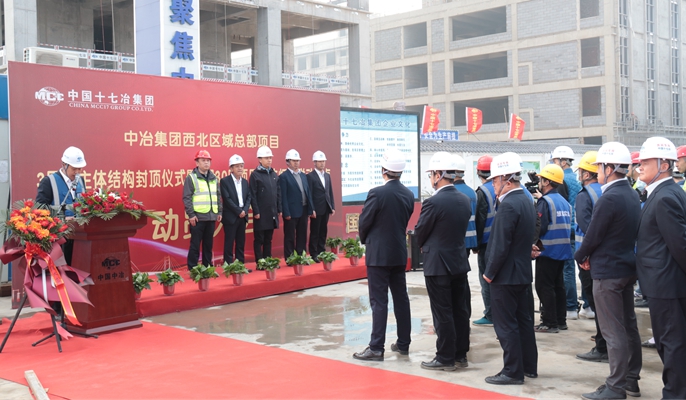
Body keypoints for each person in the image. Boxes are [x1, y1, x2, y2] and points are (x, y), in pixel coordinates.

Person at [575, 142, 642, 399]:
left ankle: (615, 387)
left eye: (600, 167)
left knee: (613, 331)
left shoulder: (609, 197)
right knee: (628, 326)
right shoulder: (631, 194)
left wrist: (580, 256)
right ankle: (630, 380)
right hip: (626, 267)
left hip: (608, 272)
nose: (597, 171)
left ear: (610, 168)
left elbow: (593, 234)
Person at [635, 137, 686, 400]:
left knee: (671, 343)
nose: (639, 166)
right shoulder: (664, 192)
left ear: (664, 165)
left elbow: (680, 244)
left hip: (666, 283)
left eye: (646, 162)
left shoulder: (665, 196)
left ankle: (675, 394)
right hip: (663, 282)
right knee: (671, 341)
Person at [353, 149, 414, 362]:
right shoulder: (408, 194)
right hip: (398, 252)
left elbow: (364, 222)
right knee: (401, 298)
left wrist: (366, 240)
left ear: (383, 170)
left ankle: (376, 347)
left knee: (379, 301)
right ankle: (403, 343)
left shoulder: (377, 193)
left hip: (379, 254)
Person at [483, 152, 538, 385]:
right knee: (523, 321)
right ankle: (528, 366)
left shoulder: (508, 205)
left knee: (506, 325)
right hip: (522, 272)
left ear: (505, 178)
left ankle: (512, 372)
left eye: (494, 180)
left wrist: (489, 273)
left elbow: (500, 245)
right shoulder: (526, 200)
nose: (493, 185)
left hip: (506, 275)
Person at [414, 152, 472, 371]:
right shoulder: (464, 199)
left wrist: (423, 243)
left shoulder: (433, 202)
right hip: (458, 261)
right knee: (460, 310)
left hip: (438, 264)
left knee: (443, 312)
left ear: (438, 175)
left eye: (432, 174)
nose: (431, 178)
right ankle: (460, 353)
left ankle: (445, 356)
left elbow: (420, 231)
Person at [573, 151, 609, 364]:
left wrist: (584, 255)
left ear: (587, 174)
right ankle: (603, 340)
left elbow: (587, 229)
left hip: (589, 258)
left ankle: (602, 346)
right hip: (606, 255)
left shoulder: (584, 195)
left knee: (597, 303)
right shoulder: (607, 190)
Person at [534, 164, 573, 333]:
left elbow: (540, 227)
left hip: (547, 250)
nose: (539, 182)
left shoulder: (545, 202)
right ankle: (560, 320)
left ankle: (550, 322)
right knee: (558, 285)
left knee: (544, 286)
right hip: (562, 250)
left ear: (547, 182)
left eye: (541, 179)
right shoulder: (564, 202)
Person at [35, 146, 87, 265]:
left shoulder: (81, 181)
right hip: (59, 241)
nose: (77, 172)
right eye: (74, 168)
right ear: (64, 164)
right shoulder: (49, 182)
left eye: (80, 168)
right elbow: (40, 210)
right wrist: (62, 219)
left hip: (80, 239)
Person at [550, 145, 582, 320]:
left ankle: (570, 307)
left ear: (563, 162)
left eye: (555, 161)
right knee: (582, 268)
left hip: (566, 228)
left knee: (567, 269)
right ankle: (587, 305)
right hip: (577, 227)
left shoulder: (562, 180)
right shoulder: (576, 179)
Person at [183, 150, 222, 269]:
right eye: (203, 160)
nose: (206, 163)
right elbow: (187, 197)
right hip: (198, 217)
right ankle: (193, 268)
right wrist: (191, 215)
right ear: (197, 163)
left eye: (208, 161)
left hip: (211, 216)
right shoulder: (191, 178)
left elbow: (218, 196)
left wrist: (219, 212)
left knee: (208, 245)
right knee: (195, 245)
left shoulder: (214, 178)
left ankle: (207, 267)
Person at [280, 149, 315, 259]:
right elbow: (283, 196)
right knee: (290, 236)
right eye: (293, 161)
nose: (296, 163)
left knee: (302, 234)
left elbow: (308, 193)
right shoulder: (284, 177)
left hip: (303, 209)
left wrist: (311, 209)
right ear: (287, 162)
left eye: (297, 161)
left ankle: (301, 256)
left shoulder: (303, 175)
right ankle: (290, 258)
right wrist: (286, 212)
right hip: (291, 211)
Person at [473, 155, 495, 327]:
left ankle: (490, 315)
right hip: (501, 241)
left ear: (479, 172)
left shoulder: (482, 191)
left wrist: (476, 243)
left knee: (486, 278)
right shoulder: (502, 186)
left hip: (487, 243)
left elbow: (479, 220)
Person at [250, 146, 281, 261]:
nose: (269, 160)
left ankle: (268, 261)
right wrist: (256, 211)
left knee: (268, 239)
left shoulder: (274, 174)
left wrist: (279, 208)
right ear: (260, 159)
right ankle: (260, 261)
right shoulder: (255, 175)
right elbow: (252, 195)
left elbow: (278, 193)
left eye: (270, 158)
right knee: (259, 239)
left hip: (271, 212)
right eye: (266, 158)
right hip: (261, 213)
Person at [220, 154, 251, 265]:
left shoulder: (245, 182)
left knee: (240, 242)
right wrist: (239, 211)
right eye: (237, 166)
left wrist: (245, 211)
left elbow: (249, 197)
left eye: (241, 166)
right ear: (231, 168)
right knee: (229, 243)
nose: (240, 168)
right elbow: (227, 199)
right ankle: (228, 266)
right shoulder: (224, 181)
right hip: (231, 217)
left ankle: (240, 265)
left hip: (243, 216)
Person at [307, 151, 335, 262]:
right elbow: (309, 194)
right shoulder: (310, 176)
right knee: (315, 232)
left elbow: (330, 192)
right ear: (314, 162)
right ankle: (313, 253)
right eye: (320, 161)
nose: (322, 163)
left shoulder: (327, 176)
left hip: (326, 207)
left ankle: (321, 251)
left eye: (323, 161)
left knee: (323, 231)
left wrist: (332, 206)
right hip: (316, 209)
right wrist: (311, 209)